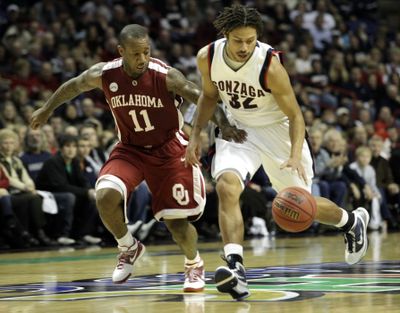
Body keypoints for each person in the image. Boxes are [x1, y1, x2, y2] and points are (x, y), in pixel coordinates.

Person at [30, 24, 243, 292]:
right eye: (135, 54)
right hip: (130, 149)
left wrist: (223, 124)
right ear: (121, 52)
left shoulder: (165, 75)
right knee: (105, 194)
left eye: (146, 52)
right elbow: (73, 86)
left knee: (176, 224)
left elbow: (200, 97)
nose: (142, 59)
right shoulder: (105, 73)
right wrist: (47, 109)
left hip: (167, 149)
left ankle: (193, 263)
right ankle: (128, 247)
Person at [185, 4, 370, 301]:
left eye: (250, 40)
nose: (245, 47)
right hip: (238, 129)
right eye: (238, 41)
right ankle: (235, 268)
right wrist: (196, 134)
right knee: (227, 185)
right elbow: (208, 96)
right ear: (225, 35)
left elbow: (296, 116)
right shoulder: (207, 57)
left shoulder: (269, 65)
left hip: (277, 131)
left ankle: (350, 222)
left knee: (300, 205)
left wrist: (295, 154)